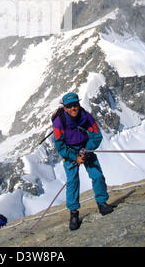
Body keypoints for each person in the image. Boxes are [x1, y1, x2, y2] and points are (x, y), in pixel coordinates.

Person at [53, 92, 113, 230]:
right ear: (65, 108)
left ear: (79, 104)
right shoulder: (59, 122)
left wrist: (86, 150)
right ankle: (74, 213)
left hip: (86, 148)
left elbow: (96, 136)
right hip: (70, 152)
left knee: (97, 175)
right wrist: (75, 157)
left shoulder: (86, 116)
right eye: (69, 106)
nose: (73, 108)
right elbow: (60, 146)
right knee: (72, 181)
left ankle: (102, 203)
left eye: (75, 105)